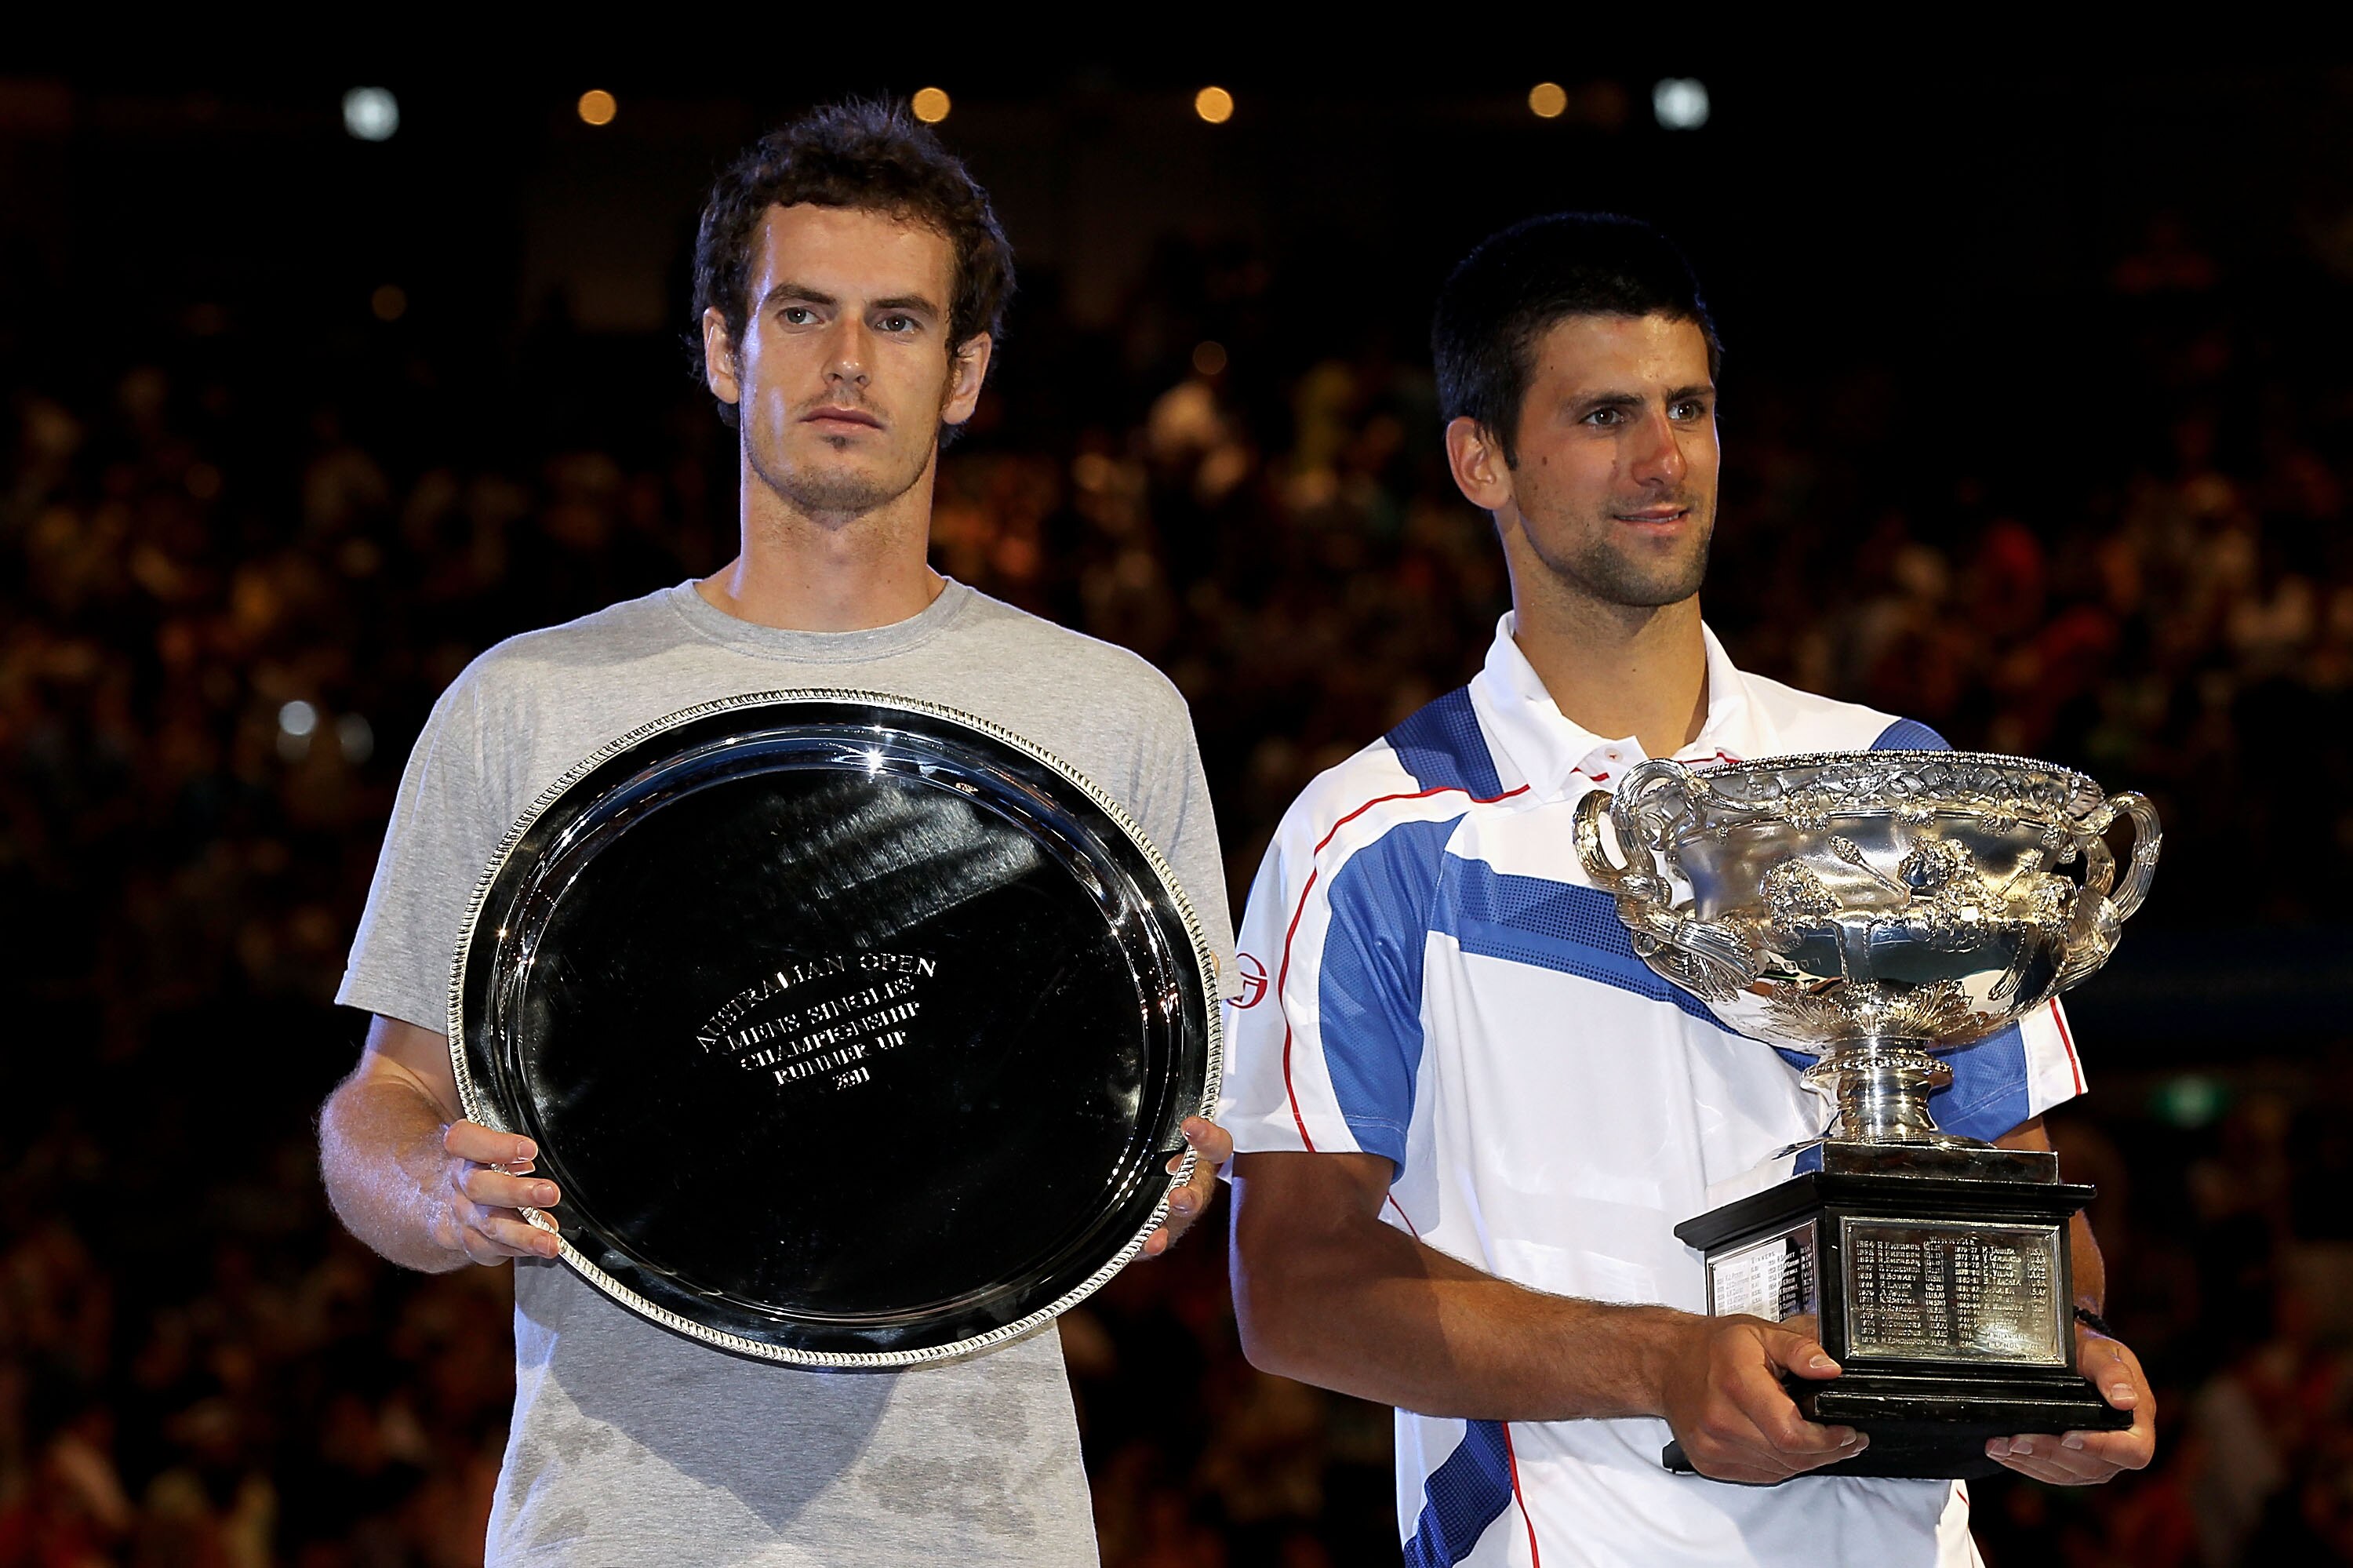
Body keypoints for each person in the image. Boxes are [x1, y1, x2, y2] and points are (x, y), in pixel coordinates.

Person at [317, 100, 1235, 1566]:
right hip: (616, 1526)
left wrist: (1165, 1182)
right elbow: (381, 1106)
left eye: (900, 321)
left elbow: (1176, 1124)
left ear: (968, 374)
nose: (849, 364)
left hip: (976, 1527)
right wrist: (432, 1190)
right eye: (801, 313)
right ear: (722, 348)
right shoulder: (529, 701)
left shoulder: (1109, 718)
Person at [1218, 213, 2155, 1566]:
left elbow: (2022, 1206)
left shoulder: (1892, 781)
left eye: (1689, 408)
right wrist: (1661, 1364)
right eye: (1604, 415)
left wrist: (2063, 1367)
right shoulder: (1371, 840)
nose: (1664, 462)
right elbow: (1294, 1291)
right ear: (1480, 457)